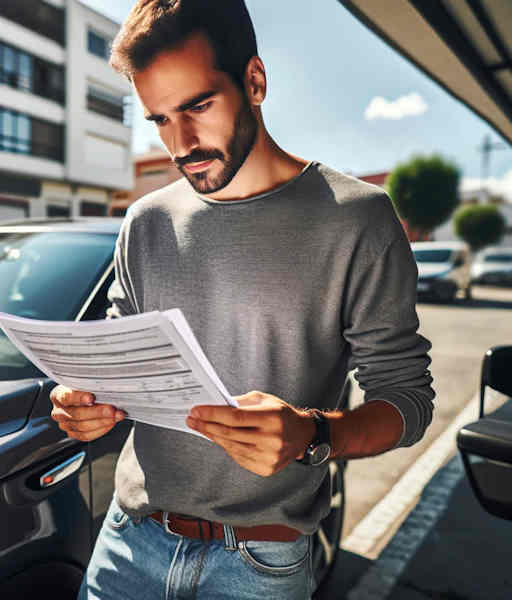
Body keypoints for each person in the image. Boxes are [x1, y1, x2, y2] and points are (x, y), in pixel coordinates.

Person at [49, 1, 435, 598]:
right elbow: (122, 361)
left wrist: (313, 436)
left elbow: (407, 401)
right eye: (159, 120)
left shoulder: (357, 218)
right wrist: (83, 403)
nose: (181, 144)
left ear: (254, 80)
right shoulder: (145, 221)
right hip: (128, 544)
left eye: (198, 106)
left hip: (260, 564)